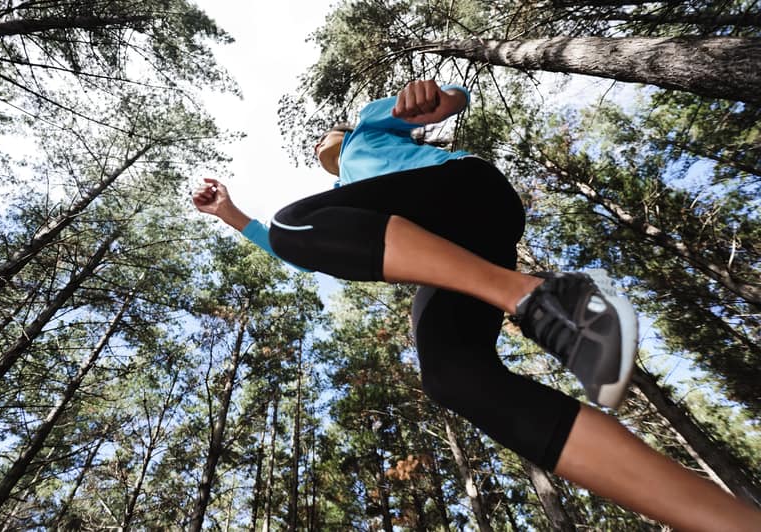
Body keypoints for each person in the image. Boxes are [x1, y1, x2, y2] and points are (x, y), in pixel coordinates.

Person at [193, 80, 761, 530]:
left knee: (298, 218)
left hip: (464, 195)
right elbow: (287, 246)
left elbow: (440, 102)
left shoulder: (369, 126)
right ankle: (728, 521)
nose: (321, 149)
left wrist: (433, 100)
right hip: (449, 258)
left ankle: (530, 296)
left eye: (325, 140)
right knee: (453, 377)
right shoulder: (346, 200)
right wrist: (230, 213)